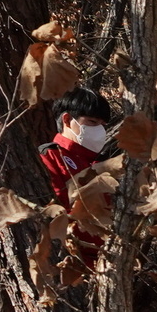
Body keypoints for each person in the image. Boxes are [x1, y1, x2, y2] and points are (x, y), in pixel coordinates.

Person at [38, 86, 117, 278]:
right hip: (69, 261)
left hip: (105, 265)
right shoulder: (50, 155)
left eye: (101, 124)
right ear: (67, 120)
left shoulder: (102, 165)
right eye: (91, 122)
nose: (99, 130)